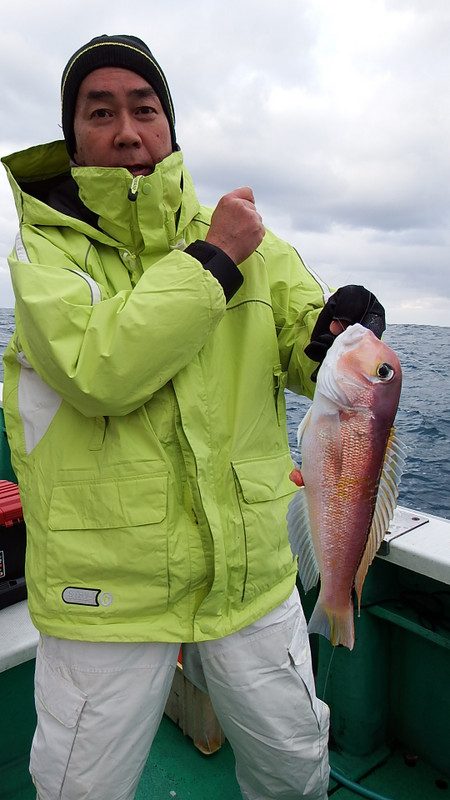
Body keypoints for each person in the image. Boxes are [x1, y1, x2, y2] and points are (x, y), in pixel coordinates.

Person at [1, 35, 385, 800]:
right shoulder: (46, 256)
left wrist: (343, 334)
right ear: (72, 134)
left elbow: (310, 352)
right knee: (79, 788)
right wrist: (212, 260)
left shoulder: (252, 243)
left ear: (172, 128)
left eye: (145, 109)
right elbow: (98, 371)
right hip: (104, 590)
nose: (126, 131)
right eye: (99, 111)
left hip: (251, 571)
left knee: (293, 768)